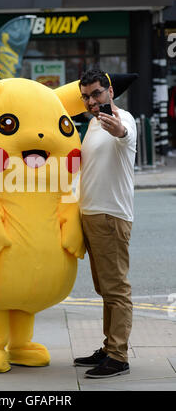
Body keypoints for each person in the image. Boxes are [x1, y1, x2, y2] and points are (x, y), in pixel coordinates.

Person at [73, 69, 137, 379]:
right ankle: (109, 346)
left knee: (116, 289)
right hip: (92, 215)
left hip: (111, 216)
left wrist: (119, 130)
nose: (91, 100)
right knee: (104, 289)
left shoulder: (122, 119)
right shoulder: (92, 125)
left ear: (110, 91)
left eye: (96, 93)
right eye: (85, 96)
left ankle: (118, 356)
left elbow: (126, 136)